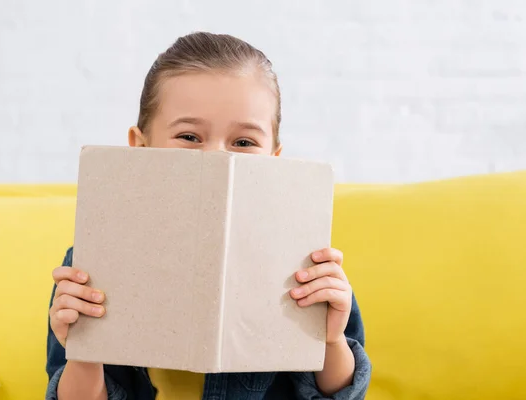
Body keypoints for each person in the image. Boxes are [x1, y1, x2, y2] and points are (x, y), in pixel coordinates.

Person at [45, 31, 371, 400]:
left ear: (274, 161)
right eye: (189, 136)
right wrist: (85, 353)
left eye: (244, 142)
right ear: (140, 147)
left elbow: (341, 394)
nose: (217, 158)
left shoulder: (307, 264)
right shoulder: (91, 264)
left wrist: (329, 341)